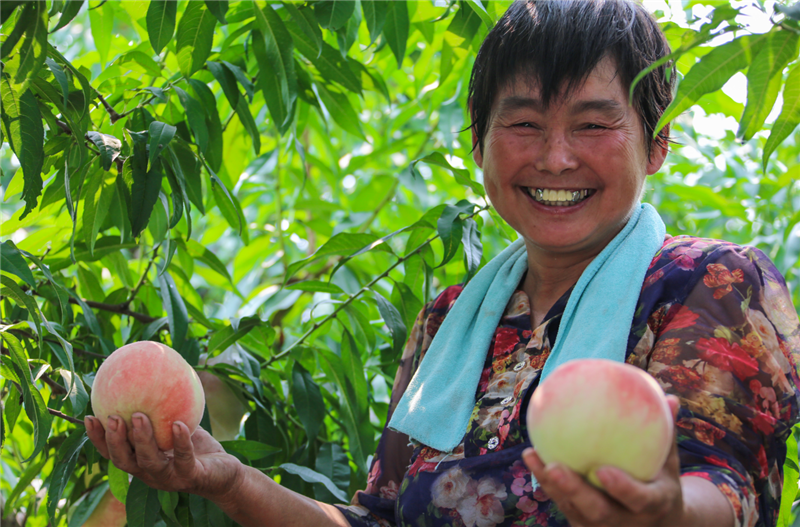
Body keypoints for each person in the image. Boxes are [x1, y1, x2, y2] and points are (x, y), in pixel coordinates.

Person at [84, 1, 800, 526]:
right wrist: (228, 480)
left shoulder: (711, 285)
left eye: (593, 123)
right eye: (523, 123)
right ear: (479, 143)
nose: (556, 158)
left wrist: (667, 514)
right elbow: (379, 519)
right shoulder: (452, 319)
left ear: (657, 142)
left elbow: (723, 486)